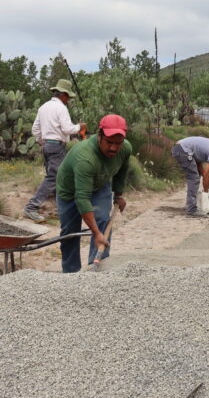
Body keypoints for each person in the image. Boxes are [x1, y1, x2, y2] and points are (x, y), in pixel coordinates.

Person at [55, 114, 131, 273]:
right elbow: (82, 199)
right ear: (99, 136)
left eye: (118, 143)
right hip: (70, 189)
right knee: (70, 233)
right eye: (109, 142)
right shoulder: (86, 158)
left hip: (100, 184)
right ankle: (71, 274)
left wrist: (118, 195)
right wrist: (96, 233)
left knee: (103, 221)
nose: (113, 148)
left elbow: (122, 171)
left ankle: (97, 270)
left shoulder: (125, 149)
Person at [23, 79, 86, 222]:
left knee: (59, 178)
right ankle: (31, 207)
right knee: (54, 178)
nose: (68, 100)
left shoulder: (43, 107)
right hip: (57, 146)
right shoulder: (61, 108)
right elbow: (67, 129)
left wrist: (42, 141)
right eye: (68, 97)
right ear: (63, 94)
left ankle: (59, 210)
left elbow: (35, 130)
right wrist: (79, 126)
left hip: (46, 147)